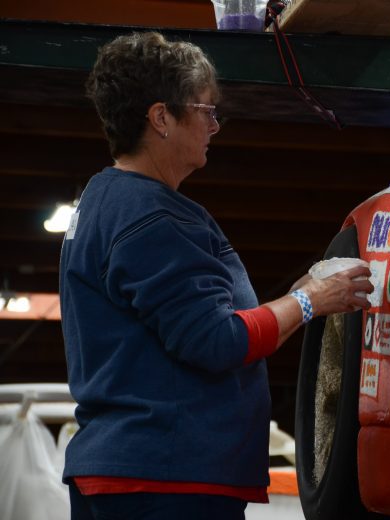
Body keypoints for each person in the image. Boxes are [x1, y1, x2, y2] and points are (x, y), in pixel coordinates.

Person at [59, 31, 372, 519]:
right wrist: (310, 301)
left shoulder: (105, 200)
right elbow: (217, 341)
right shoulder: (154, 216)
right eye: (206, 111)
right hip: (167, 479)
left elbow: (203, 323)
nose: (214, 126)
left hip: (139, 474)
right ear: (162, 117)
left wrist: (297, 299)